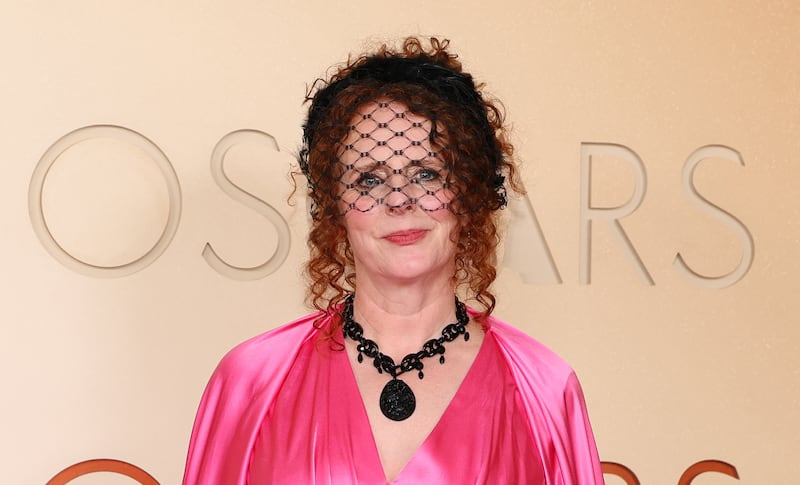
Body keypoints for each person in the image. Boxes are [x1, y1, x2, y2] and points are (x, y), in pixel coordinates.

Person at [183, 37, 604, 484]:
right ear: (333, 204)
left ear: (470, 190)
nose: (400, 200)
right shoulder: (251, 383)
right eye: (369, 178)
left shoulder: (545, 389)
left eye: (426, 173)